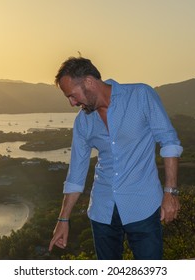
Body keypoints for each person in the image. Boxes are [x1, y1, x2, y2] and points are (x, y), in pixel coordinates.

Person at [48, 57, 183, 260]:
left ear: (89, 82)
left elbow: (169, 142)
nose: (72, 103)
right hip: (102, 212)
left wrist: (170, 192)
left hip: (143, 206)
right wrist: (63, 219)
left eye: (73, 96)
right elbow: (76, 175)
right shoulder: (83, 123)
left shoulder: (140, 96)